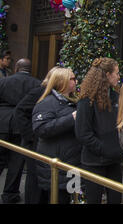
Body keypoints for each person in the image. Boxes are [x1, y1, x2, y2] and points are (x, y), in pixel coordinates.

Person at [75, 57, 123, 204]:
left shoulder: (116, 97)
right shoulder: (86, 101)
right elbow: (83, 134)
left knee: (116, 199)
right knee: (93, 200)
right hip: (94, 162)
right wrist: (105, 150)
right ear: (107, 75)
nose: (119, 76)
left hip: (114, 161)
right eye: (116, 73)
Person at [32, 67, 80, 204]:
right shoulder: (46, 103)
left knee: (72, 197)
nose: (75, 81)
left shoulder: (74, 101)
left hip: (73, 164)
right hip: (56, 165)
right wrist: (71, 119)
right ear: (61, 81)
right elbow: (41, 128)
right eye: (72, 78)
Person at [14, 66, 58, 204]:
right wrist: (30, 135)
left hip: (44, 144)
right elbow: (20, 111)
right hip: (33, 144)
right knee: (34, 181)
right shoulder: (39, 92)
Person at [0, 58, 40, 203]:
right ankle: (9, 194)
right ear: (30, 69)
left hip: (2, 123)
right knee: (16, 162)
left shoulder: (3, 82)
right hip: (21, 126)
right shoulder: (36, 84)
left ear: (17, 67)